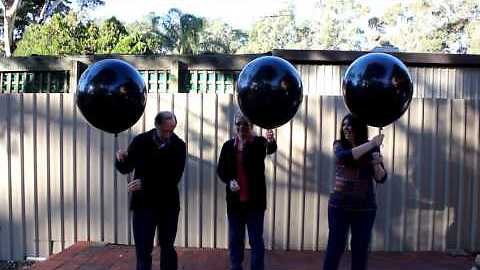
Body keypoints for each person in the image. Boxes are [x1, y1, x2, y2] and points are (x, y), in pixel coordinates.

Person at [115, 111, 186, 270]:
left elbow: (174, 176)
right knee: (143, 250)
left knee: (167, 248)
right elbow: (126, 167)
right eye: (165, 130)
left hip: (168, 205)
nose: (168, 134)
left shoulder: (179, 145)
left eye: (172, 130)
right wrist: (121, 159)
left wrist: (145, 183)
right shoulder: (141, 141)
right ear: (157, 125)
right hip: (143, 205)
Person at [323, 113, 387, 270]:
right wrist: (372, 144)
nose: (346, 128)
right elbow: (345, 157)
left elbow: (381, 178)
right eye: (344, 125)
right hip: (339, 207)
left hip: (364, 208)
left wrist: (377, 164)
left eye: (350, 125)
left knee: (360, 250)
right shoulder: (339, 145)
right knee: (335, 247)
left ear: (358, 127)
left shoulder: (371, 147)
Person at [217, 112, 277, 270]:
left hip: (255, 202)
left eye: (245, 124)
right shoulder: (228, 146)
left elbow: (270, 148)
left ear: (251, 126)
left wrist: (270, 140)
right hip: (235, 202)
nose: (241, 127)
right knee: (235, 238)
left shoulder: (258, 143)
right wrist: (229, 181)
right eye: (238, 124)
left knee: (256, 239)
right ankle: (235, 267)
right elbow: (221, 170)